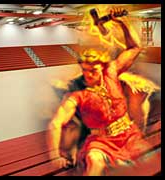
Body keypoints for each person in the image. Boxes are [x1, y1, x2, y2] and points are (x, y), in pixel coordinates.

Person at [47, 7, 153, 176]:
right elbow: (57, 123)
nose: (88, 75)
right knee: (94, 160)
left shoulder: (111, 71)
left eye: (93, 71)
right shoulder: (77, 92)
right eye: (85, 70)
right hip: (102, 141)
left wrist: (121, 23)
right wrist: (56, 154)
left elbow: (134, 47)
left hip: (128, 135)